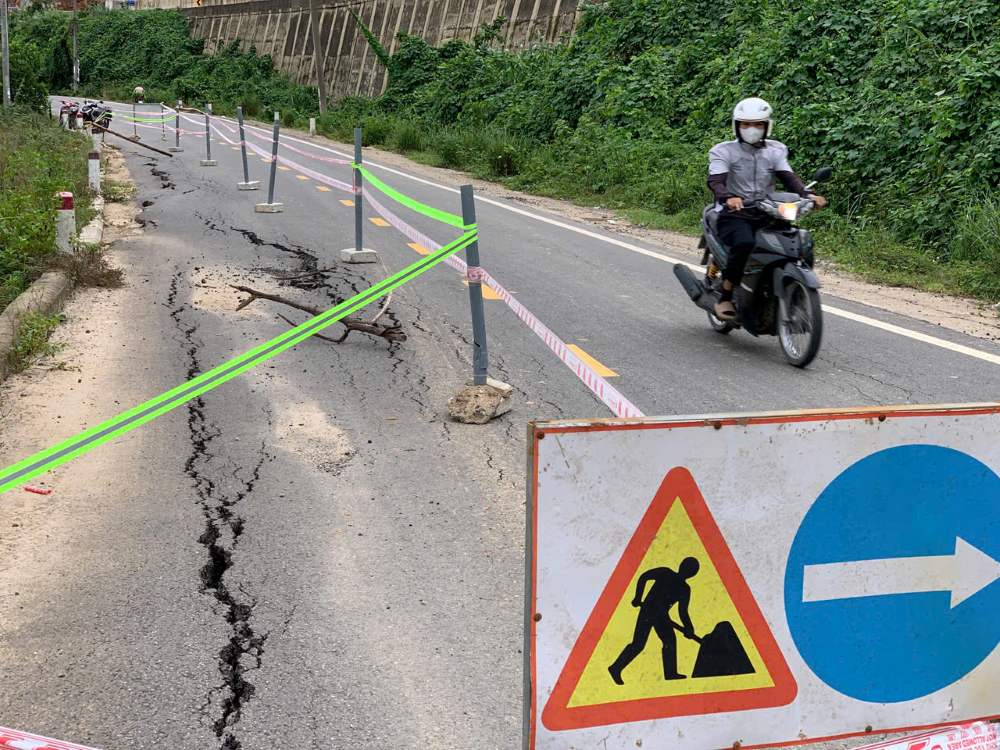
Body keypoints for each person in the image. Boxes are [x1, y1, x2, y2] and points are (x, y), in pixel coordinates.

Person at [706, 97, 827, 321]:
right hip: (735, 213)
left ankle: (789, 289)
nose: (752, 129)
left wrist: (808, 195)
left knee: (799, 242)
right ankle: (725, 295)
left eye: (758, 124)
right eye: (745, 124)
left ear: (767, 126)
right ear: (736, 126)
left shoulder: (775, 150)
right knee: (744, 243)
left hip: (766, 210)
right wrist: (729, 197)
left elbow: (788, 177)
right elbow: (716, 181)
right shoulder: (723, 151)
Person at [608, 556, 700, 685]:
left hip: (661, 616)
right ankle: (615, 668)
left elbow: (683, 611)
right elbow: (644, 577)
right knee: (640, 644)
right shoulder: (666, 573)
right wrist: (638, 597)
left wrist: (689, 627)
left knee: (667, 641)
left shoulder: (684, 588)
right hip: (648, 611)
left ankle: (670, 673)